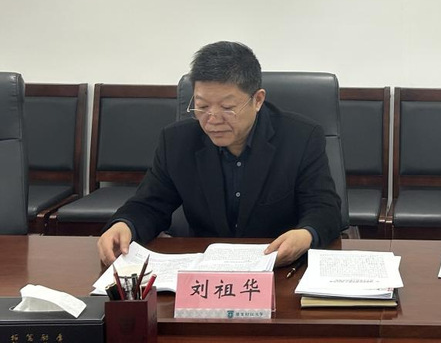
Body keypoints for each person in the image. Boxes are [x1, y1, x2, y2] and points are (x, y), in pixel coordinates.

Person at [97, 41, 341, 267]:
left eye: (227, 108)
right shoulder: (177, 142)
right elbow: (149, 205)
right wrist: (125, 225)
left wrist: (306, 234)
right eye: (202, 106)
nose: (212, 119)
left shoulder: (301, 138)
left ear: (257, 100)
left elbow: (325, 209)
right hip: (205, 268)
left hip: (278, 266)